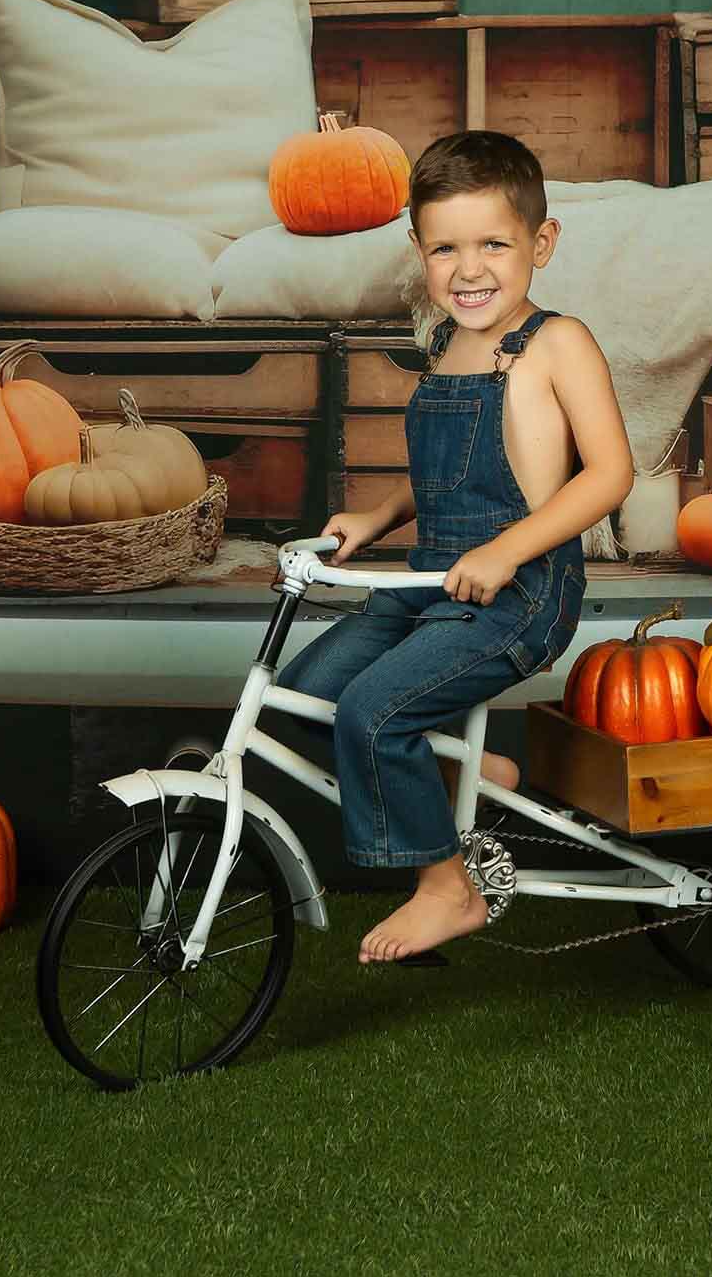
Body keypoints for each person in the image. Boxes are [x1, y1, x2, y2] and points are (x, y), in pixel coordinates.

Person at [279, 130, 634, 965]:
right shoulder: (444, 343)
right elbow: (441, 477)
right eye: (445, 248)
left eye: (493, 245)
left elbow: (609, 474)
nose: (468, 270)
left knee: (372, 712)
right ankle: (459, 782)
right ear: (418, 252)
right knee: (308, 696)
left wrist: (510, 550)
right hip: (431, 578)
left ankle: (447, 886)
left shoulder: (557, 343)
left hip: (520, 595)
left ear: (540, 244)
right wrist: (377, 515)